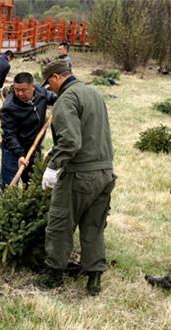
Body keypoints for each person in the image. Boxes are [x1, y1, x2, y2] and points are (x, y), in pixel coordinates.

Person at [38, 60, 115, 296]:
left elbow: (71, 141)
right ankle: (94, 279)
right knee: (93, 226)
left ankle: (53, 275)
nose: (50, 89)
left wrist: (53, 166)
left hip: (80, 174)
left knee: (60, 223)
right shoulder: (94, 94)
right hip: (105, 173)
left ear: (56, 78)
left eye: (49, 84)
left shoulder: (66, 99)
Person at [0, 72, 57, 189]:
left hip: (33, 148)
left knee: (32, 182)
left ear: (33, 87)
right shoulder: (9, 107)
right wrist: (20, 155)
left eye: (23, 90)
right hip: (13, 150)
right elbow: (9, 134)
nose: (19, 93)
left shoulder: (42, 94)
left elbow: (56, 98)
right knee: (9, 185)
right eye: (16, 89)